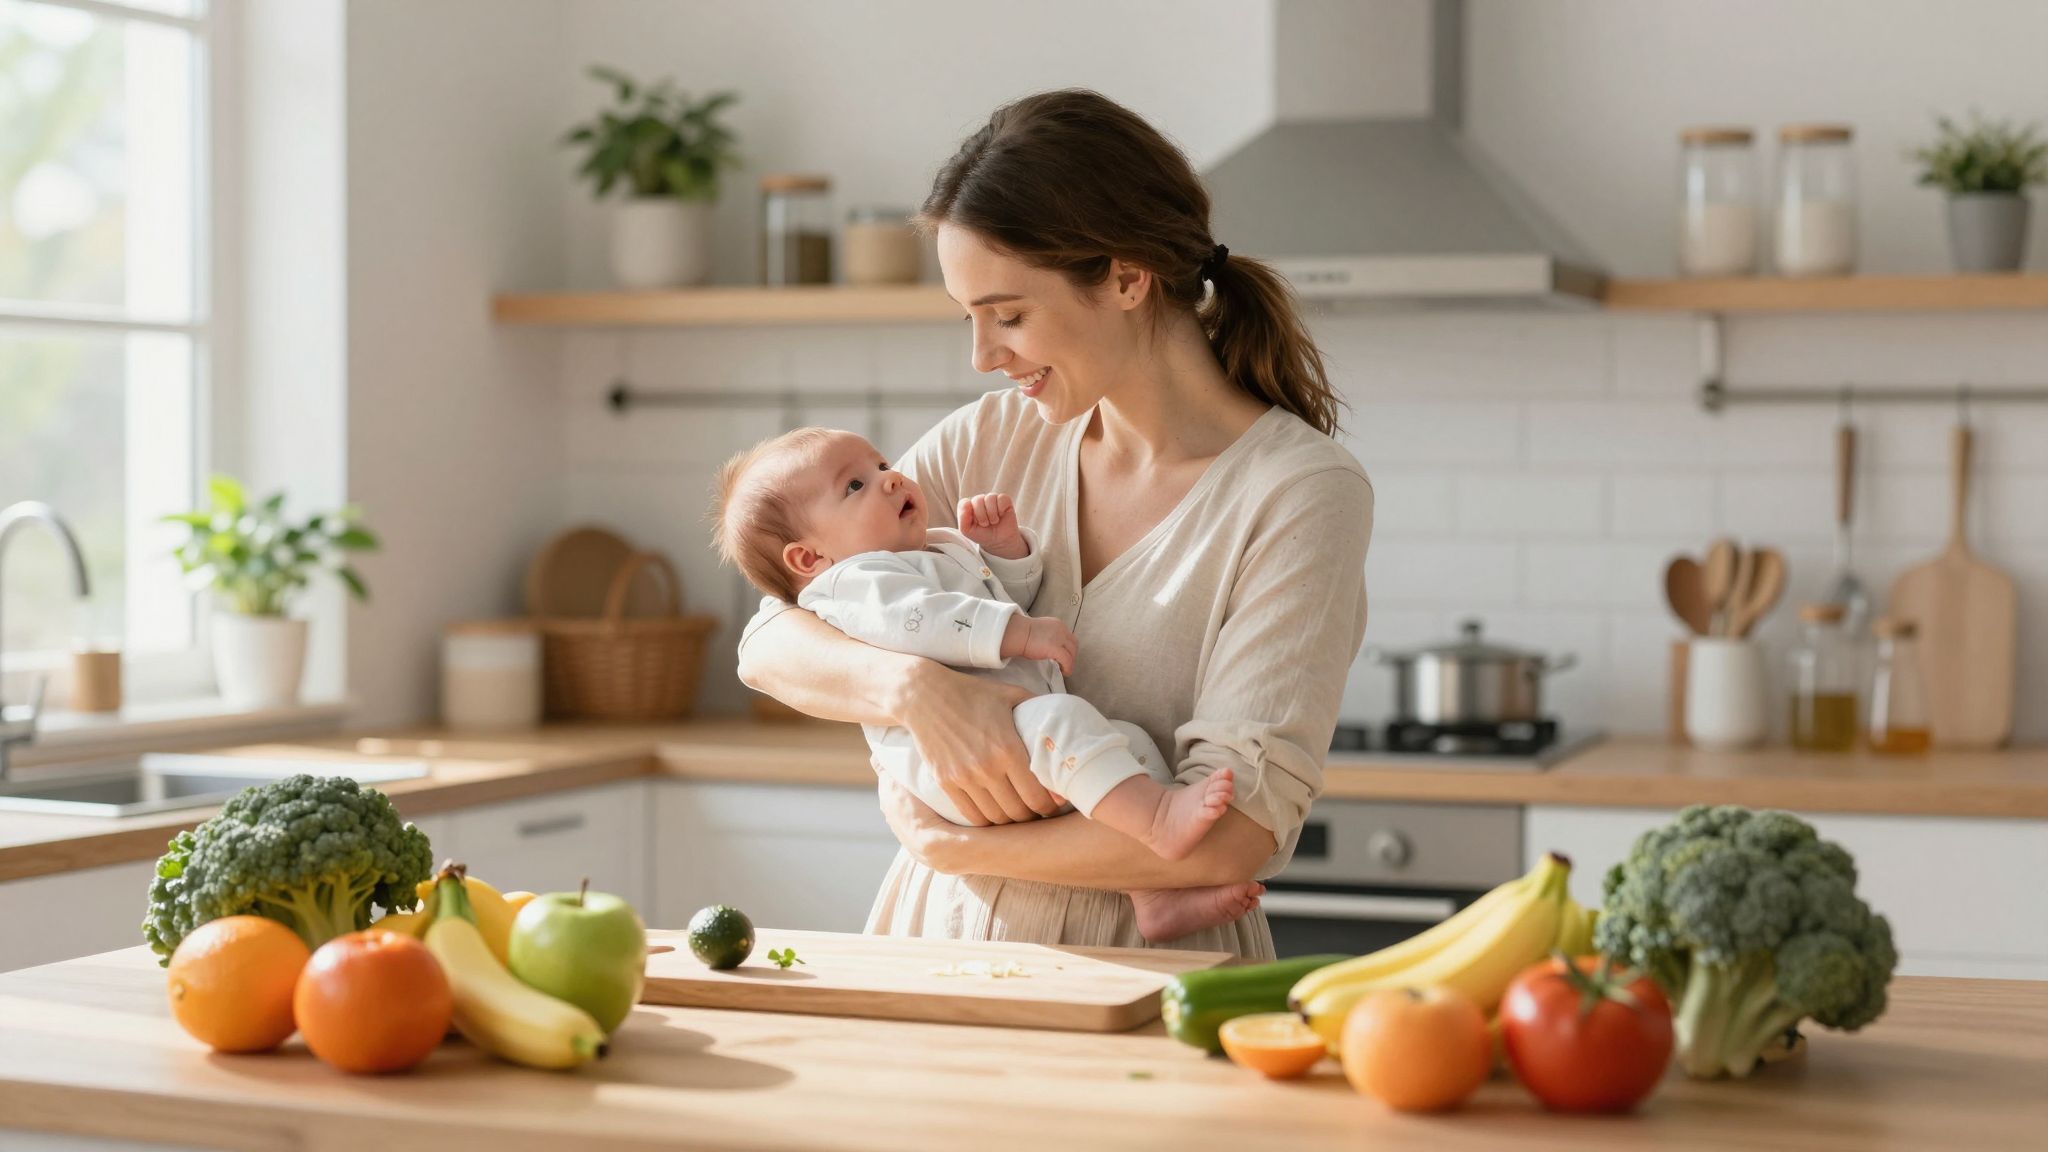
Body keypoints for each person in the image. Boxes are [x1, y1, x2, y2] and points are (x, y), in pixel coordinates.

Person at [736, 88, 1372, 958]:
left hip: (1147, 970)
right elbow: (772, 640)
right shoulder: (988, 438)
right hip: (939, 947)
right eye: (969, 318)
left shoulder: (1297, 492)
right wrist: (914, 691)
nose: (982, 356)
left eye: (1008, 315)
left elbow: (1234, 836)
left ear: (1126, 277)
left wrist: (952, 846)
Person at [710, 426, 1263, 942]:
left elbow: (998, 599)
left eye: (881, 465)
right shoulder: (852, 584)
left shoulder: (930, 548)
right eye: (855, 485)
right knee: (1066, 722)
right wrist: (1018, 634)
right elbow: (923, 621)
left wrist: (1002, 554)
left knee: (1126, 740)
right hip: (954, 771)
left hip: (1022, 738)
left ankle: (1151, 889)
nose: (891, 479)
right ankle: (1160, 823)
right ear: (809, 557)